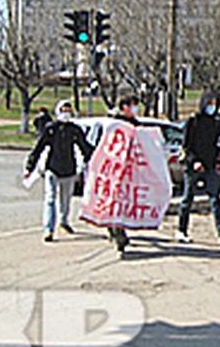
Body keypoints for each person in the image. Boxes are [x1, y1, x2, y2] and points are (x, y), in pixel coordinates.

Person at [24, 100, 94, 243]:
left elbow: (85, 147)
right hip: (52, 168)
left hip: (69, 169)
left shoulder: (74, 129)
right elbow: (39, 148)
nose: (66, 113)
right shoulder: (51, 129)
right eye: (63, 110)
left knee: (66, 199)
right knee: (50, 198)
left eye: (68, 110)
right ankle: (48, 229)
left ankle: (64, 221)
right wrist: (29, 167)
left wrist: (95, 159)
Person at [176, 90, 220, 246]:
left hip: (210, 165)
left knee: (215, 199)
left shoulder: (215, 123)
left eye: (214, 104)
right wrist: (194, 161)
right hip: (193, 166)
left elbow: (214, 144)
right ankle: (181, 229)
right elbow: (186, 146)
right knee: (188, 198)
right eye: (209, 104)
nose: (212, 107)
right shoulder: (193, 122)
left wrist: (219, 156)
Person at [106, 93, 142, 256]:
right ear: (124, 107)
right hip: (115, 170)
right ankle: (117, 234)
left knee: (124, 203)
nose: (135, 108)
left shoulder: (135, 124)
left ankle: (118, 231)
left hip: (129, 170)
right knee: (115, 202)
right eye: (132, 105)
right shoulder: (114, 124)